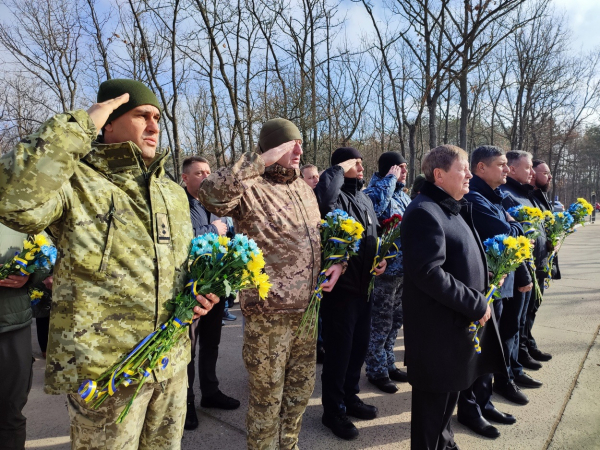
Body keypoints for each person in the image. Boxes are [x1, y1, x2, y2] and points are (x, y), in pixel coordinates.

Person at [0, 79, 217, 450]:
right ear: (108, 124)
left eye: (157, 118)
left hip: (171, 364)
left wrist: (201, 292)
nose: (153, 126)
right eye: (141, 116)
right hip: (106, 372)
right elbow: (11, 197)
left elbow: (181, 264)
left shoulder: (170, 191)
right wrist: (79, 124)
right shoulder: (75, 181)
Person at [198, 118, 343, 450]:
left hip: (307, 313)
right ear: (272, 147)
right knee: (266, 401)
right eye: (291, 144)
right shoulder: (250, 187)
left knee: (298, 396)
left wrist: (338, 263)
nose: (299, 151)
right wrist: (257, 160)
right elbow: (210, 195)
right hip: (268, 318)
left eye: (300, 144)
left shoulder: (304, 191)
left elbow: (316, 240)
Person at [401, 145, 505, 450]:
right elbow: (429, 273)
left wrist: (486, 275)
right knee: (431, 416)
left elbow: (457, 259)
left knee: (447, 407)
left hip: (454, 330)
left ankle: (446, 445)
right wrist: (476, 302)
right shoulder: (424, 212)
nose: (470, 174)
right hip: (437, 335)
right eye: (463, 169)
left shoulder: (451, 207)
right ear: (439, 174)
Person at [314, 147, 387, 441]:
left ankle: (350, 397)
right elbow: (323, 199)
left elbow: (374, 233)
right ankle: (332, 411)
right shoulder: (335, 194)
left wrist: (381, 259)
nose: (360, 164)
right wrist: (338, 170)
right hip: (341, 292)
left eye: (359, 161)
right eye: (353, 162)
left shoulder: (364, 197)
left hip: (364, 288)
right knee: (338, 354)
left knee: (358, 349)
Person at [457, 146, 523, 439]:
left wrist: (515, 225)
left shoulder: (493, 197)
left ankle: (483, 402)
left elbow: (519, 229)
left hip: (499, 285)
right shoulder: (475, 198)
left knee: (489, 351)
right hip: (484, 289)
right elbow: (507, 233)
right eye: (501, 165)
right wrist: (514, 226)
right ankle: (469, 409)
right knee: (477, 351)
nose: (506, 169)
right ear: (480, 168)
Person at [181, 156, 240, 432]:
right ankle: (186, 403)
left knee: (212, 343)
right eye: (199, 173)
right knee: (188, 349)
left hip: (216, 286)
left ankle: (210, 391)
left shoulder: (216, 205)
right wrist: (212, 230)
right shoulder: (180, 204)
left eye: (208, 171)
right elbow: (184, 240)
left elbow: (228, 237)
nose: (206, 177)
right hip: (191, 289)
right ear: (185, 178)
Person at [363, 152, 411, 394]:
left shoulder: (404, 196)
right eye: (399, 167)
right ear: (388, 169)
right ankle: (376, 370)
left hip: (403, 271)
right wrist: (389, 180)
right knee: (380, 324)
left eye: (405, 167)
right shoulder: (375, 191)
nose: (404, 171)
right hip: (384, 272)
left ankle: (388, 363)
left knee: (395, 322)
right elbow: (375, 208)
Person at [498, 151, 545, 384]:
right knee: (510, 325)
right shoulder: (506, 195)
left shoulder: (527, 193)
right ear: (513, 169)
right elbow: (513, 232)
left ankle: (516, 365)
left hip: (531, 265)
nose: (533, 173)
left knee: (520, 321)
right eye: (528, 168)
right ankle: (508, 374)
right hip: (515, 272)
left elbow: (532, 228)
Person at [526, 159, 559, 361]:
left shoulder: (541, 197)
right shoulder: (527, 197)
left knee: (534, 307)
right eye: (545, 172)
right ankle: (525, 348)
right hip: (530, 265)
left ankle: (528, 344)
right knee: (526, 311)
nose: (549, 176)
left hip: (543, 262)